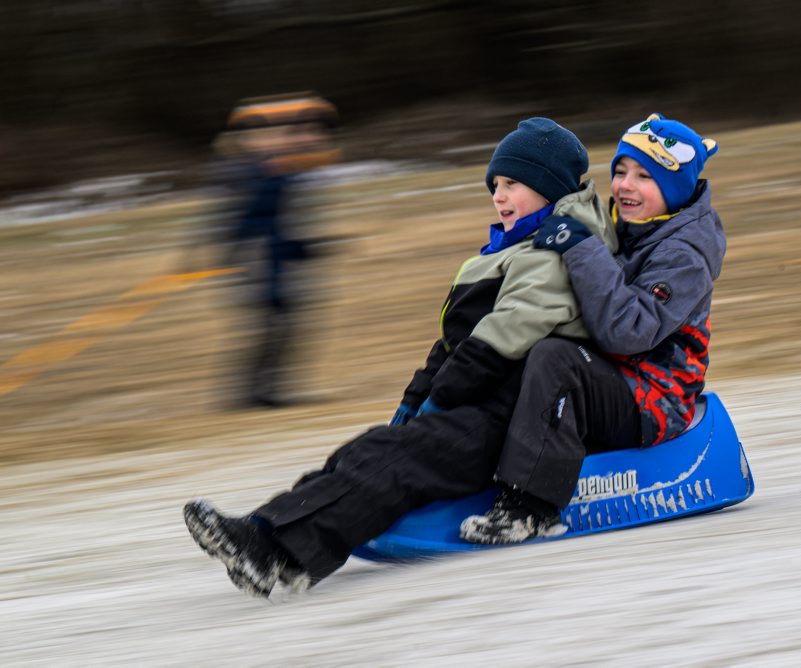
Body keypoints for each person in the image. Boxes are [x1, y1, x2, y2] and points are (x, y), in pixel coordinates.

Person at [183, 118, 617, 598]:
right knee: (371, 447)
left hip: (513, 418)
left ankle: (274, 551)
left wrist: (447, 392)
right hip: (481, 402)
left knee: (396, 461)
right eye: (495, 185)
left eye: (512, 184)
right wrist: (418, 396)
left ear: (548, 187)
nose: (498, 196)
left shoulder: (557, 250)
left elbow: (511, 328)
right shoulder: (513, 247)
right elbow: (456, 341)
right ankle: (269, 535)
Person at [460, 114, 723, 544]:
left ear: (674, 189)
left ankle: (530, 509)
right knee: (532, 345)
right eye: (620, 171)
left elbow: (629, 330)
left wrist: (582, 248)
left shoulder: (685, 254)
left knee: (556, 359)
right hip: (617, 374)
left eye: (645, 176)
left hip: (654, 394)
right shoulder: (629, 226)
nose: (625, 185)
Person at [215, 93, 341, 408]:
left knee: (281, 328)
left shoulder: (283, 174)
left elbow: (278, 226)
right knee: (276, 327)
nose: (317, 139)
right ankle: (253, 394)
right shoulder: (270, 175)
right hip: (261, 265)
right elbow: (256, 224)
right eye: (310, 132)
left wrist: (308, 248)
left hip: (271, 262)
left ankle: (258, 391)